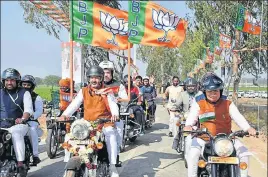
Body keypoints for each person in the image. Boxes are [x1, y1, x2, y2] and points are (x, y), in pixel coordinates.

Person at [184, 73, 257, 177]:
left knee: (244, 153)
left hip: (226, 139)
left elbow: (238, 117)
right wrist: (188, 126)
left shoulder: (228, 104)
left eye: (216, 91)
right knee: (192, 155)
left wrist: (248, 128)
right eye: (210, 91)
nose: (213, 94)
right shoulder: (199, 104)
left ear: (220, 91)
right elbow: (191, 118)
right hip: (204, 138)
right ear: (205, 92)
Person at [61, 65, 120, 177]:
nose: (94, 80)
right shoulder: (84, 91)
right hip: (87, 124)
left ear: (101, 78)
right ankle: (68, 162)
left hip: (104, 122)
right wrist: (65, 115)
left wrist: (115, 115)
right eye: (91, 77)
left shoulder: (107, 91)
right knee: (70, 136)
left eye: (97, 77)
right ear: (88, 79)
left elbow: (113, 105)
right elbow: (74, 104)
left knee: (110, 134)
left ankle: (112, 166)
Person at [0, 68, 33, 175]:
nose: (9, 82)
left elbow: (28, 109)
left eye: (12, 80)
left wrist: (22, 119)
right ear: (3, 81)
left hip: (18, 125)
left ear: (17, 81)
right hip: (2, 125)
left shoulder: (24, 93)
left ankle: (20, 163)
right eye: (7, 80)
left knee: (16, 134)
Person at [99, 60, 128, 167]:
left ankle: (115, 160)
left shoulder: (118, 85)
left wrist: (117, 99)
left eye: (108, 72)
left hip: (115, 117)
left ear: (112, 73)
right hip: (98, 117)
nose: (105, 75)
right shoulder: (96, 84)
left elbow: (125, 99)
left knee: (117, 139)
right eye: (103, 72)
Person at [20, 75, 43, 165]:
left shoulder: (36, 97)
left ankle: (35, 155)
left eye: (28, 85)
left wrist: (31, 117)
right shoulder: (17, 96)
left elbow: (39, 111)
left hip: (31, 121)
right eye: (23, 84)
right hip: (17, 120)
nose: (25, 87)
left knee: (32, 130)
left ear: (32, 86)